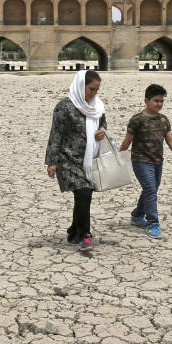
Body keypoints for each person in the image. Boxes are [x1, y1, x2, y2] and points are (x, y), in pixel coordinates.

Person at [45, 70, 107, 252]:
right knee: (84, 193)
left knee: (82, 195)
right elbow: (56, 135)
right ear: (81, 86)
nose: (94, 93)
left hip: (88, 158)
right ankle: (85, 235)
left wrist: (102, 130)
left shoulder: (97, 106)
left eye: (96, 90)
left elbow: (103, 123)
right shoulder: (65, 107)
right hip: (67, 158)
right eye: (91, 89)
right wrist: (52, 161)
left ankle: (73, 232)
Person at [119, 83, 172, 239]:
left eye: (161, 101)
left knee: (151, 189)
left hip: (157, 161)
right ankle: (153, 223)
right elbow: (127, 141)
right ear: (146, 101)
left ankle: (137, 215)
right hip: (140, 161)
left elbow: (170, 138)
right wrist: (119, 158)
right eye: (156, 101)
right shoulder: (137, 120)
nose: (159, 104)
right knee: (151, 190)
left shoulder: (163, 120)